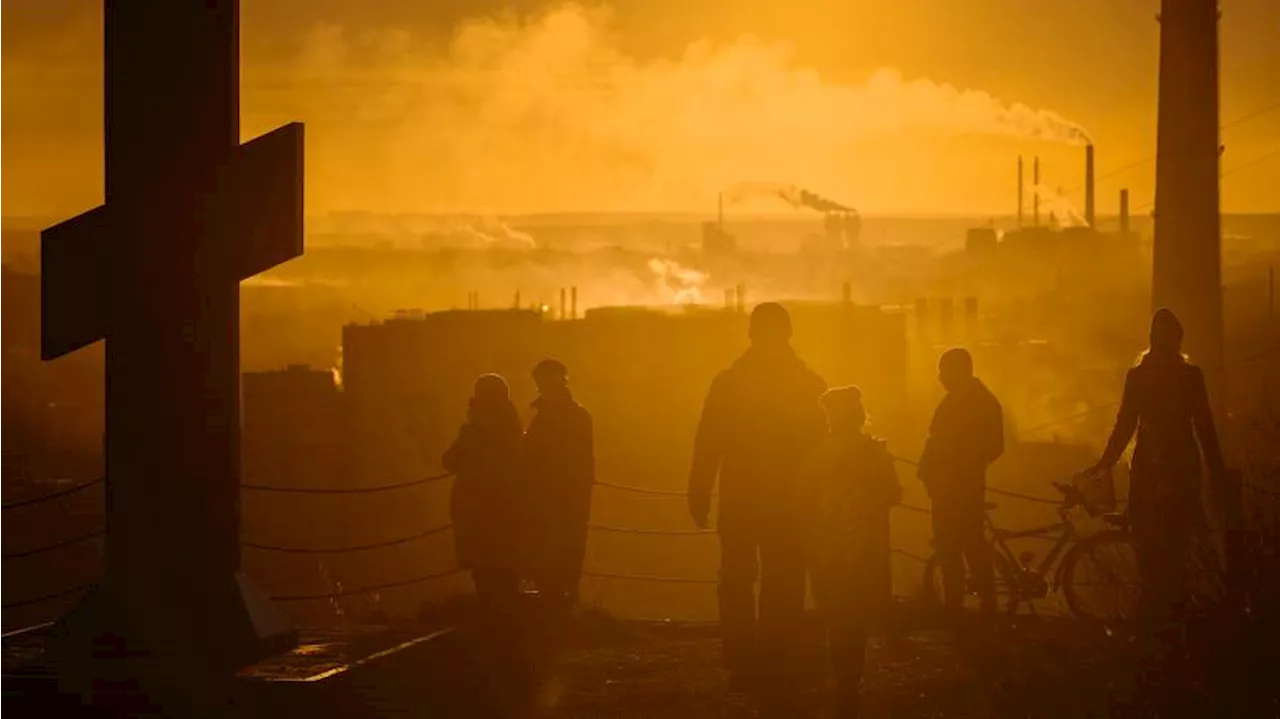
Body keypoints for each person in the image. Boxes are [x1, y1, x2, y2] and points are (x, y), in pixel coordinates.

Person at [687, 302, 828, 692]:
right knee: (783, 576)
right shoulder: (809, 384)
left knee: (736, 577)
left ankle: (741, 654)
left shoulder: (730, 382)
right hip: (789, 500)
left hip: (742, 497)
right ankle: (777, 650)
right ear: (789, 334)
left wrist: (699, 491)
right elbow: (822, 448)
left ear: (751, 333)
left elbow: (708, 440)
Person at [1091, 309, 1226, 692]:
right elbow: (1203, 426)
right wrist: (1216, 470)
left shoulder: (1145, 376)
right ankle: (1169, 619)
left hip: (1154, 469)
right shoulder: (1187, 376)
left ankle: (1156, 621)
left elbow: (1126, 424)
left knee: (1155, 543)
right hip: (1174, 467)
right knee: (1170, 542)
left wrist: (1107, 462)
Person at [797, 386, 901, 718]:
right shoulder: (874, 453)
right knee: (855, 620)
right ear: (859, 417)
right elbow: (893, 494)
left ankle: (842, 680)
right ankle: (850, 682)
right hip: (864, 550)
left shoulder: (815, 455)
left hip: (826, 549)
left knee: (834, 615)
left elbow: (801, 502)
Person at [918, 347, 1004, 619]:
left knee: (968, 547)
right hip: (945, 489)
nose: (940, 378)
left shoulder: (980, 402)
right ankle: (958, 605)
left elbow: (994, 446)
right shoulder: (960, 400)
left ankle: (979, 605)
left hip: (962, 489)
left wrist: (960, 462)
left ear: (961, 371)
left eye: (944, 372)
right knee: (951, 548)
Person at [442, 374, 526, 609]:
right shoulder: (514, 430)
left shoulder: (474, 431)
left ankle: (489, 614)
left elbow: (449, 460)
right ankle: (506, 617)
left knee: (482, 566)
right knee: (506, 563)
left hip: (475, 508)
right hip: (508, 507)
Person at [524, 358, 595, 610]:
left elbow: (531, 456)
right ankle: (561, 599)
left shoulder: (546, 419)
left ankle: (555, 600)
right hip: (565, 497)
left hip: (554, 497)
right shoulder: (579, 416)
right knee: (565, 548)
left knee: (555, 547)